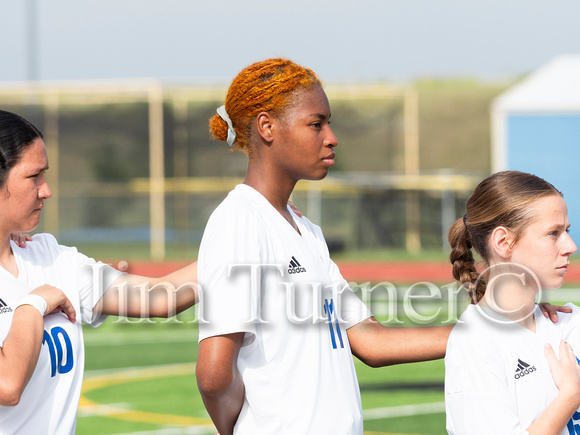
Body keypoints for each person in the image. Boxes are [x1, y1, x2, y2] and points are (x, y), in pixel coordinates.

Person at [194, 58, 455, 435]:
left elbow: (369, 341)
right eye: (316, 124)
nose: (331, 137)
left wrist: (482, 329)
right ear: (267, 127)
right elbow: (214, 375)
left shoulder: (306, 231)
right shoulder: (240, 221)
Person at [0, 109, 199, 434]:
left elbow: (162, 297)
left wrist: (237, 242)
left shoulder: (50, 257)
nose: (46, 190)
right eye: (34, 177)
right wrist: (33, 304)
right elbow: (7, 385)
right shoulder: (41, 286)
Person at [445, 170, 580, 434]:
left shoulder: (570, 321)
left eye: (567, 231)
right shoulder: (474, 343)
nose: (571, 246)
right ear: (504, 242)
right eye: (553, 233)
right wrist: (570, 396)